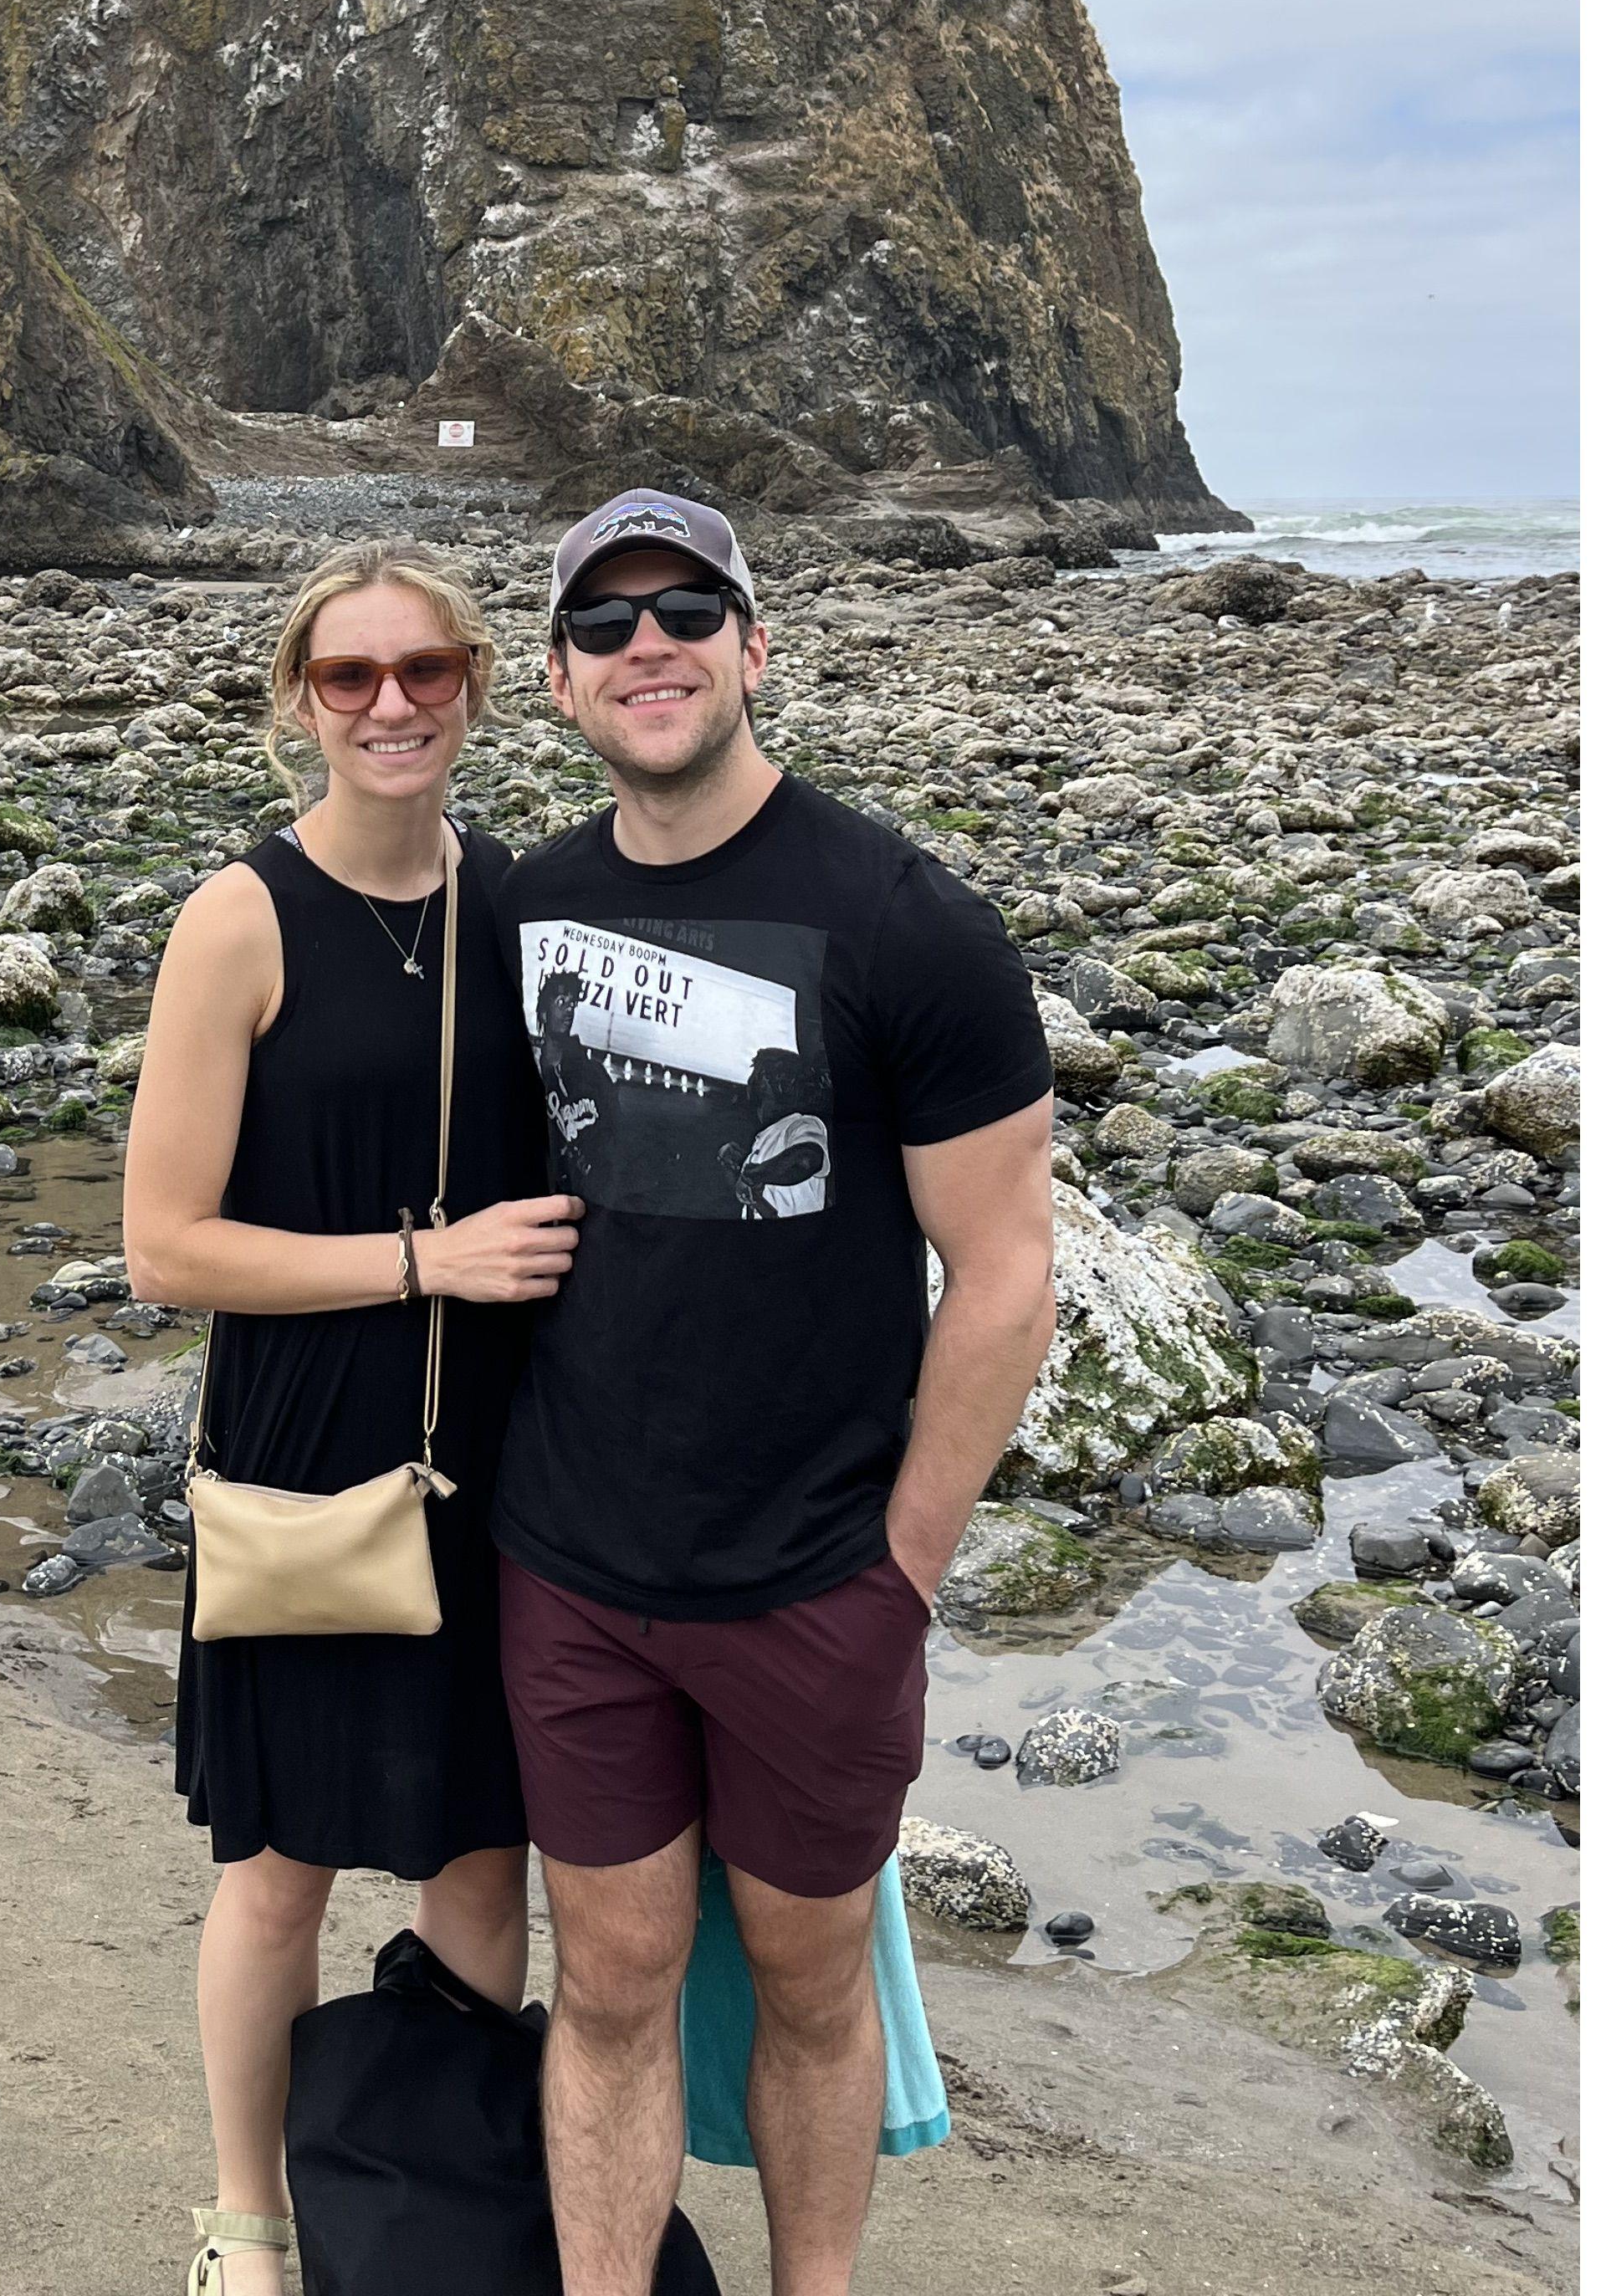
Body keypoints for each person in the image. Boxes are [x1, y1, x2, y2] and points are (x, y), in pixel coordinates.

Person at [493, 488, 1060, 2296]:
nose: (644, 645)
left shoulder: (909, 923)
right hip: (574, 1566)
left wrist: (900, 1568)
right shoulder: (530, 908)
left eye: (684, 611)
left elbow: (1008, 1275)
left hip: (817, 1580)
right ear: (562, 685)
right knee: (606, 1980)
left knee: (814, 1992)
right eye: (602, 625)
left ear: (755, 646)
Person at [124, 540, 586, 2294]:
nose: (390, 706)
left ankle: (442, 2192)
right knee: (286, 1863)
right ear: (297, 705)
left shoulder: (530, 908)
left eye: (424, 673)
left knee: (482, 1850)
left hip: (501, 1467)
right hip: (310, 1455)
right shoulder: (240, 917)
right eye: (349, 679)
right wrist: (427, 1261)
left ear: (477, 686)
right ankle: (249, 2220)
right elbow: (165, 1246)